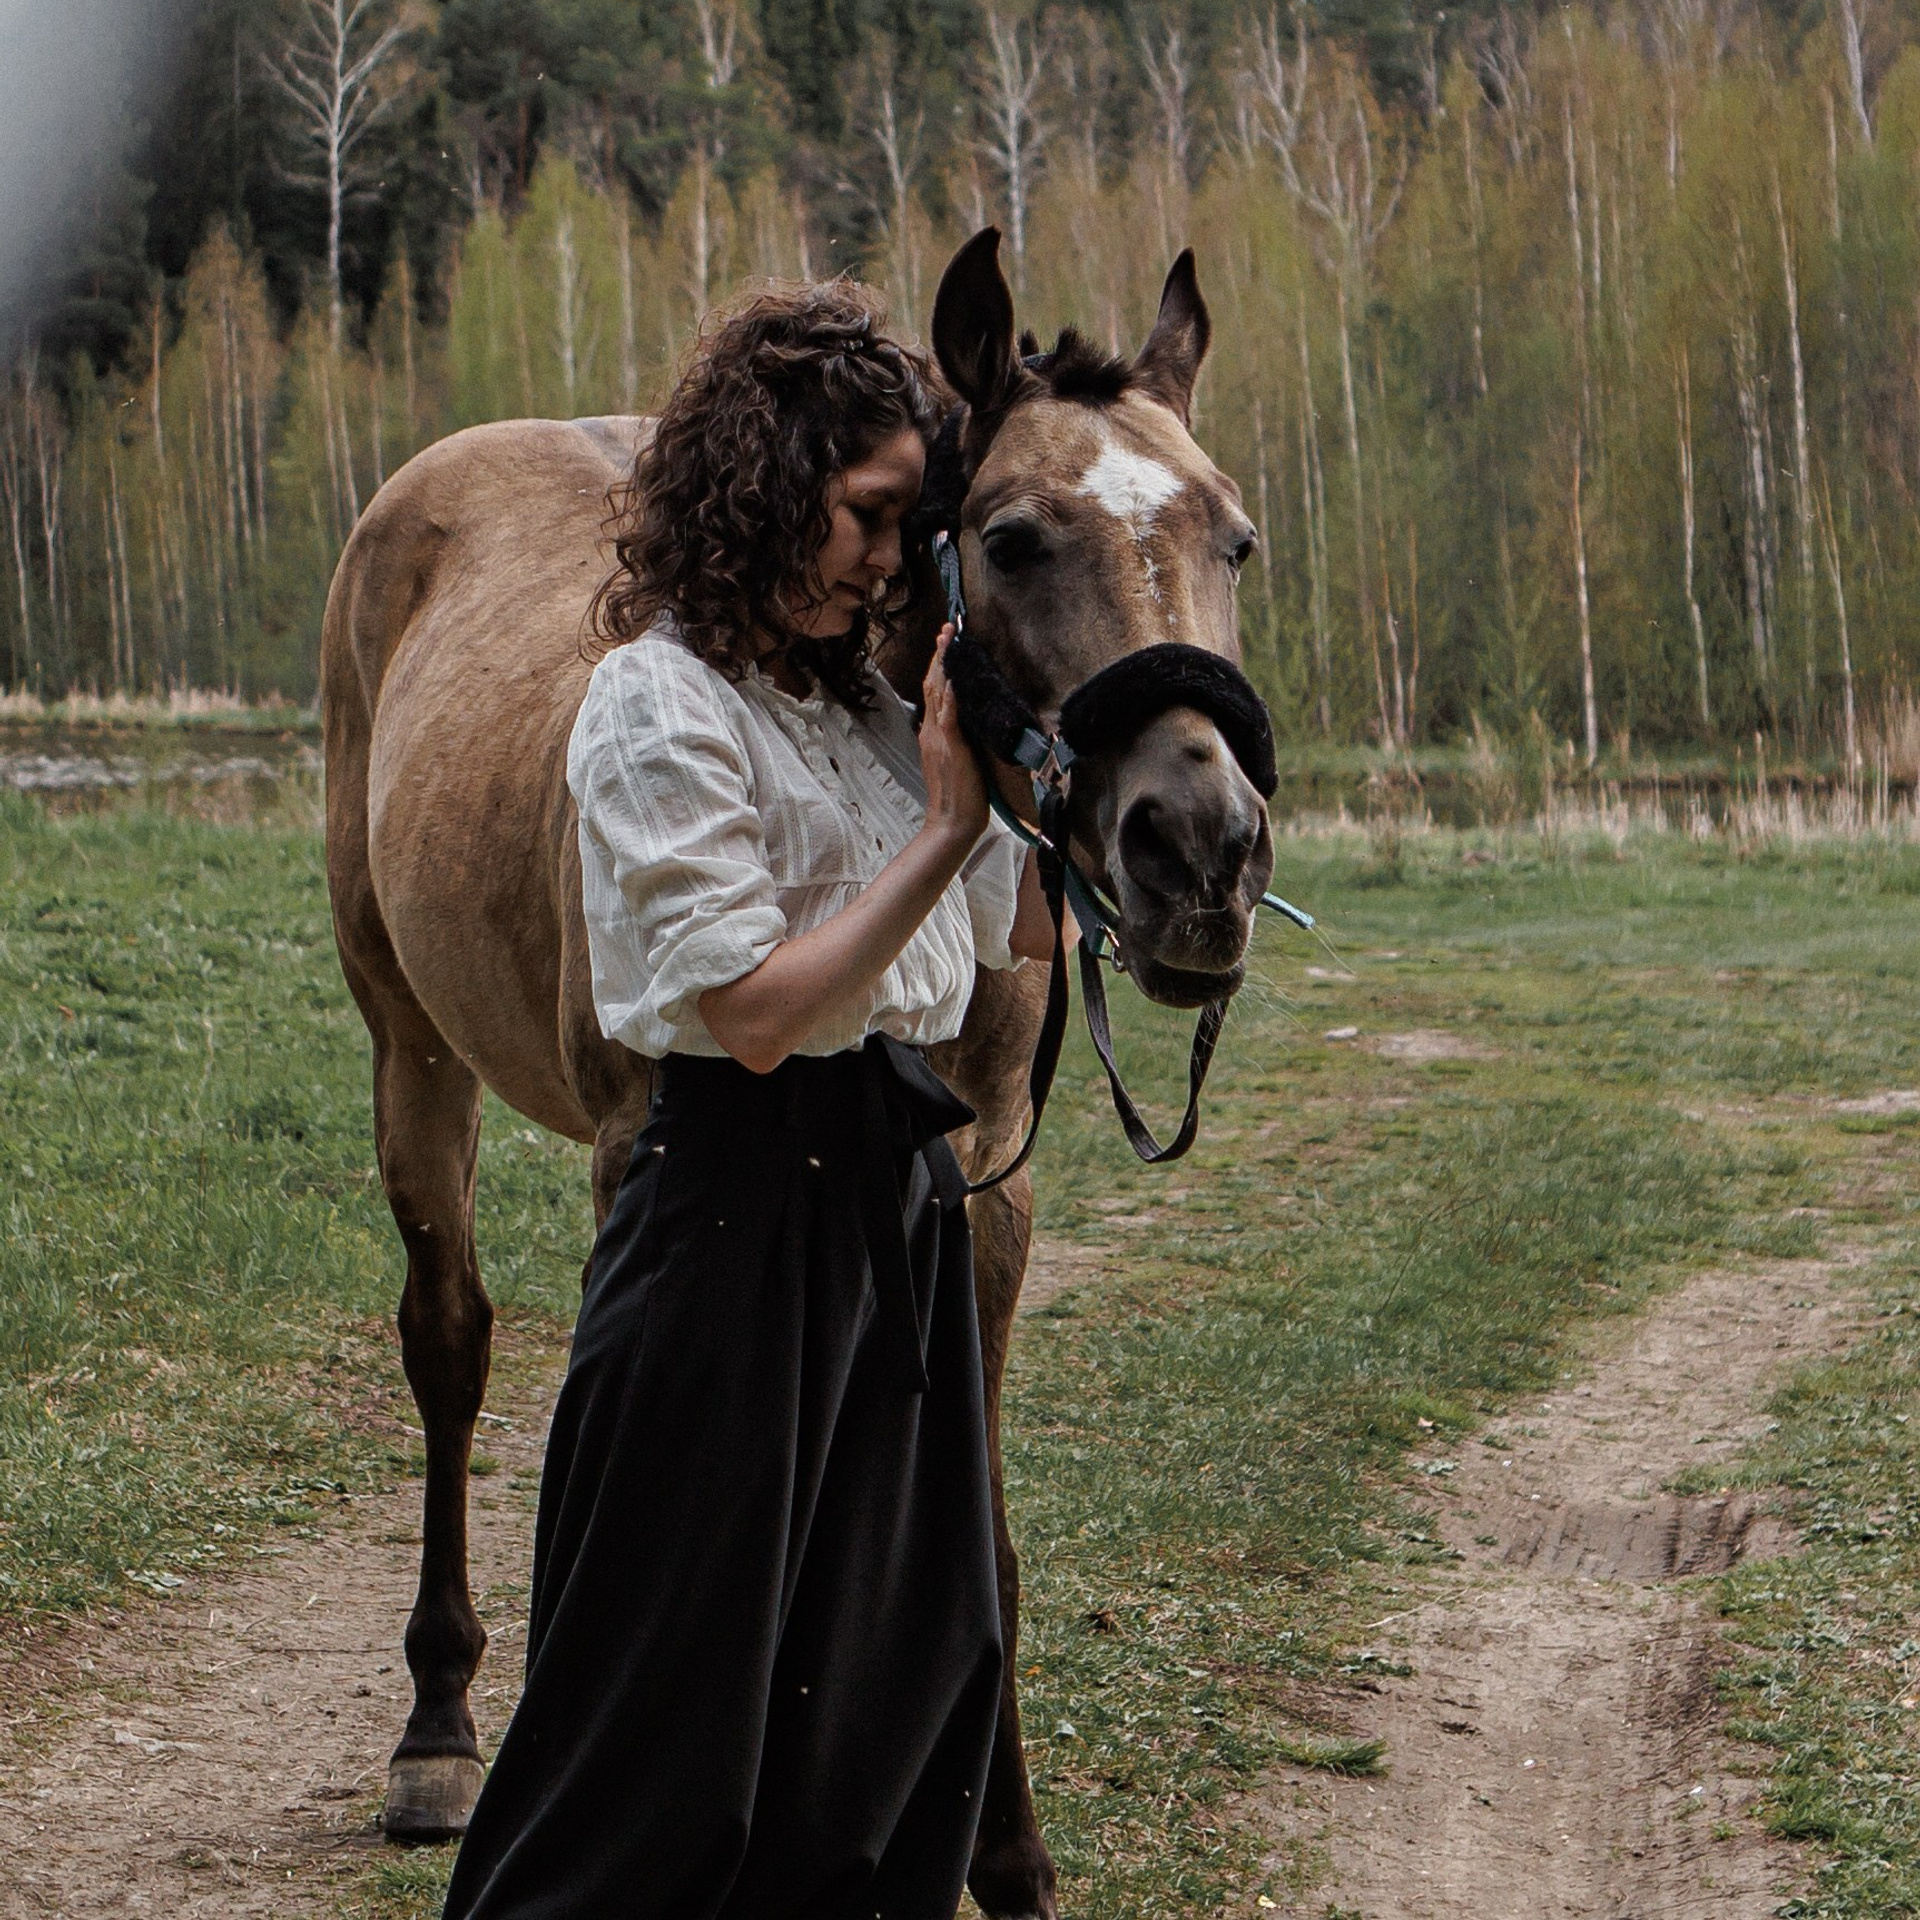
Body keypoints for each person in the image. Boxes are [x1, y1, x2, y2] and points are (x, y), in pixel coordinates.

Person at [439, 280, 1060, 1920]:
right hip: (731, 1237)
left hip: (893, 1233)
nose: (882, 556)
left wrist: (1049, 751)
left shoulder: (862, 710)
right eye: (863, 516)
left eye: (903, 526)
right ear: (767, 487)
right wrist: (938, 835)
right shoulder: (660, 706)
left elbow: (1025, 928)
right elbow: (763, 1012)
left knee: (882, 1716)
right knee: (658, 1739)